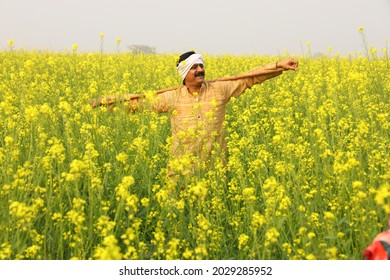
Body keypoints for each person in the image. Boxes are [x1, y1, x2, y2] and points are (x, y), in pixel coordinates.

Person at [92, 51, 298, 177]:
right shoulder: (172, 97)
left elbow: (249, 78)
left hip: (215, 166)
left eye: (201, 66)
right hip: (182, 168)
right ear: (184, 73)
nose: (200, 70)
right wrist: (105, 102)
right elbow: (138, 102)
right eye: (194, 67)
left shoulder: (220, 89)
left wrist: (278, 66)